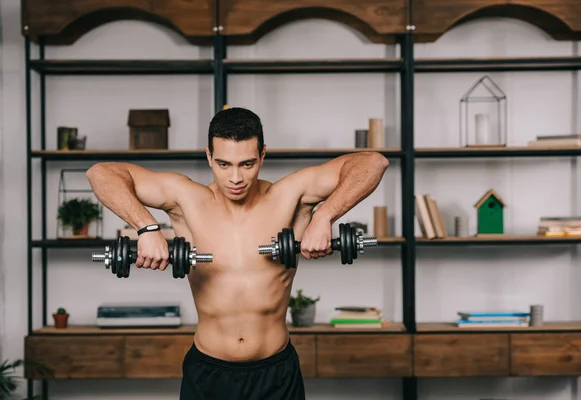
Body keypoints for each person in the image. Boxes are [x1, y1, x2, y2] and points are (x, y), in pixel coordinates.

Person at [85, 107, 389, 400]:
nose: (235, 178)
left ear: (262, 155)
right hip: (208, 371)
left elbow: (372, 163)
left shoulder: (290, 195)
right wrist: (147, 228)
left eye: (247, 164)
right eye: (223, 164)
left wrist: (325, 217)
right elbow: (102, 173)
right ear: (209, 156)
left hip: (276, 373)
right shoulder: (185, 199)